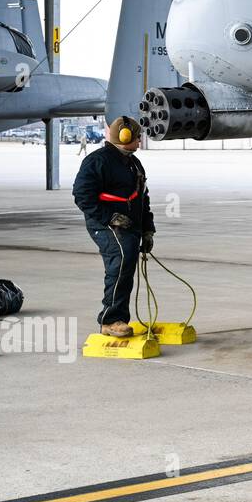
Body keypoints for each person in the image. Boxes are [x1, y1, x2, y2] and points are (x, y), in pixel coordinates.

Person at [72, 116, 155, 338]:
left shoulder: (133, 163)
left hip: (130, 225)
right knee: (120, 261)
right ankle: (110, 320)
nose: (139, 141)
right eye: (137, 137)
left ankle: (118, 317)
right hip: (104, 224)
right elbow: (82, 196)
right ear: (124, 137)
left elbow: (142, 199)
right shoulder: (97, 161)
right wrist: (111, 217)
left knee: (126, 264)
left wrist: (148, 229)